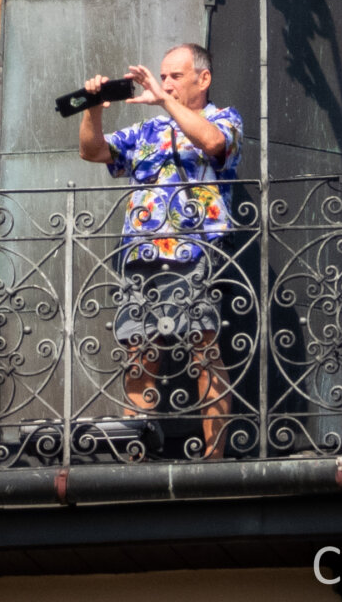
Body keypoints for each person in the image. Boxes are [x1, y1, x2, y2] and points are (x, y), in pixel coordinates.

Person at [78, 43, 243, 458]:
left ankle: (214, 458)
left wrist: (166, 101)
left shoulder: (224, 118)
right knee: (139, 351)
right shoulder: (146, 132)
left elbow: (211, 142)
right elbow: (93, 150)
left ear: (202, 80)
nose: (165, 82)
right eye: (163, 75)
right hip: (141, 252)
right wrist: (94, 106)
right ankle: (135, 453)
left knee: (203, 347)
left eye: (175, 76)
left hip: (196, 249)